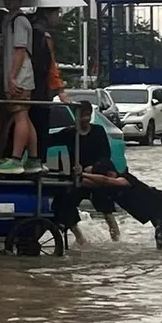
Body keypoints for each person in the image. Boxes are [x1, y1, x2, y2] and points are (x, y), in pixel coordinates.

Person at [52, 101, 120, 242]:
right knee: (63, 204)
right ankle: (80, 239)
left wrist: (93, 168)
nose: (84, 119)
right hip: (78, 180)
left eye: (87, 115)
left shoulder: (98, 131)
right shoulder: (70, 133)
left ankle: (117, 239)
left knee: (107, 211)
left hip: (96, 178)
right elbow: (48, 141)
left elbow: (106, 156)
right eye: (81, 116)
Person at [0, 0, 40, 174]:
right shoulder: (10, 20)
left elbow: (20, 50)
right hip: (15, 75)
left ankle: (16, 159)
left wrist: (12, 76)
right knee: (24, 117)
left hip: (20, 77)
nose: (8, 0)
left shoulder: (20, 21)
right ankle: (34, 158)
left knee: (20, 115)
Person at [29, 7, 67, 164]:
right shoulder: (43, 35)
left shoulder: (27, 27)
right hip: (40, 93)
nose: (58, 17)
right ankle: (37, 162)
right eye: (56, 13)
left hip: (26, 89)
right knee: (40, 130)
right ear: (47, 13)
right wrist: (60, 89)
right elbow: (51, 67)